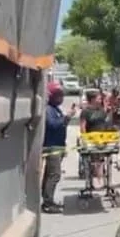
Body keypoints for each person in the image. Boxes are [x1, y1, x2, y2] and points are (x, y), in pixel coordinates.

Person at [42, 82, 76, 214]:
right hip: (52, 147)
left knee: (49, 175)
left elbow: (62, 126)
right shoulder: (48, 110)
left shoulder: (56, 109)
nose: (61, 98)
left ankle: (48, 200)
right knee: (54, 175)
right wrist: (66, 117)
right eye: (58, 95)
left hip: (59, 145)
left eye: (62, 95)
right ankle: (48, 203)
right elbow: (53, 125)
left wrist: (68, 118)